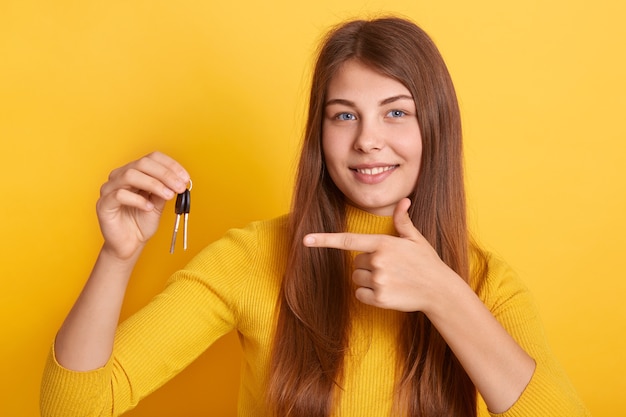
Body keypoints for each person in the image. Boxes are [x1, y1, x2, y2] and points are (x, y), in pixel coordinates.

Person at [40, 16, 590, 417]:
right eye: (344, 115)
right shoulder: (252, 259)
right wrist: (117, 256)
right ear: (319, 137)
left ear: (435, 130)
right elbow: (72, 407)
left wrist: (446, 296)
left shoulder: (488, 283)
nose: (368, 140)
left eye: (396, 113)